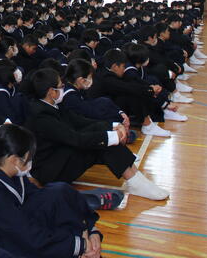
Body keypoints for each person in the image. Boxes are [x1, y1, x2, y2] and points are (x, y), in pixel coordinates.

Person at [0, 124, 109, 258]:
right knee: (50, 252)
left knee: (59, 193)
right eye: (28, 158)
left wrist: (90, 230)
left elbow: (43, 200)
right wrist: (78, 245)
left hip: (21, 230)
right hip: (1, 245)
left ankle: (84, 257)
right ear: (14, 160)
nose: (30, 162)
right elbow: (25, 232)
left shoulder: (10, 172)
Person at [23, 68, 168, 200]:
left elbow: (80, 121)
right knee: (103, 143)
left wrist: (114, 126)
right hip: (50, 171)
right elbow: (76, 139)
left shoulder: (52, 106)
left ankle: (136, 178)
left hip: (60, 156)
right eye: (61, 86)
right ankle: (134, 181)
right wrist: (112, 137)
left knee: (102, 135)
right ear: (51, 91)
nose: (63, 88)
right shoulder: (41, 116)